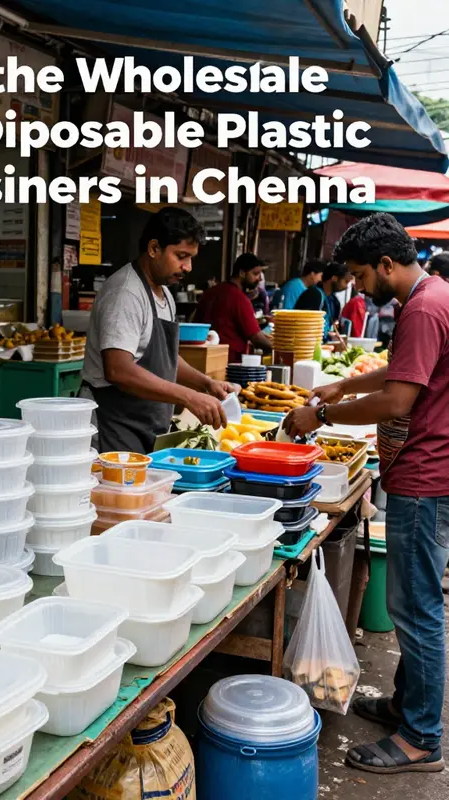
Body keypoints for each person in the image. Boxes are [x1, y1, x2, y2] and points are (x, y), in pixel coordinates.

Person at [284, 213, 449, 776]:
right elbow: (402, 373)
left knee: (418, 609)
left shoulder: (424, 308)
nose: (356, 285)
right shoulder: (430, 296)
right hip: (428, 472)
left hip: (427, 479)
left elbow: (399, 400)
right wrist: (344, 385)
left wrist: (321, 411)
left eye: (360, 274)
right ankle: (408, 707)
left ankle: (422, 738)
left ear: (385, 264)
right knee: (414, 604)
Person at [81, 208, 239, 454]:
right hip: (114, 423)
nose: (188, 267)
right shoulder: (126, 293)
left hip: (147, 424)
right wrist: (189, 397)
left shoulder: (164, 292)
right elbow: (118, 369)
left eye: (191, 258)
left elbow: (165, 359)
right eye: (181, 256)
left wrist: (206, 384)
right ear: (154, 248)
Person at [194, 253, 274, 362]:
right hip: (230, 361)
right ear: (242, 273)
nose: (259, 279)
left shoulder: (210, 292)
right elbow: (256, 337)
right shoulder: (239, 299)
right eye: (255, 274)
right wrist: (276, 348)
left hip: (203, 357)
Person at [294, 261, 352, 341]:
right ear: (334, 278)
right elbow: (304, 327)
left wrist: (329, 334)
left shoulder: (333, 301)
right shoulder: (314, 294)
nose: (346, 287)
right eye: (346, 282)